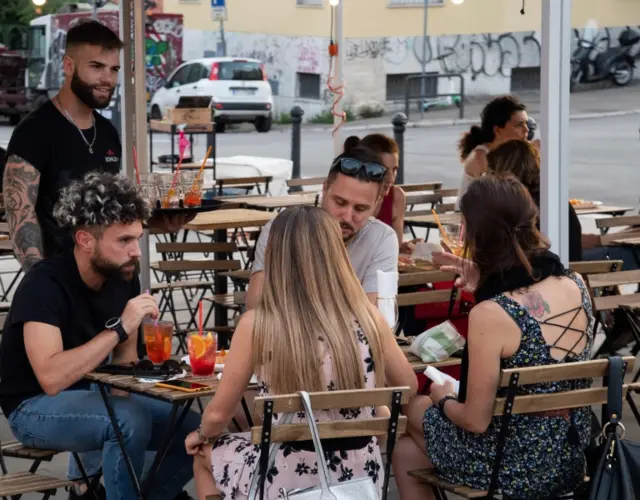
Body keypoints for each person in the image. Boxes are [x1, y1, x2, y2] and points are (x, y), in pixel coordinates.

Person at [185, 206, 418, 499]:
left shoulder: (258, 324)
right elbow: (409, 387)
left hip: (285, 478)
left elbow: (219, 413)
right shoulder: (370, 318)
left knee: (205, 456)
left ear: (276, 258)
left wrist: (201, 436)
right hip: (362, 476)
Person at [0, 172, 200, 500]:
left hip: (95, 396)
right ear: (85, 240)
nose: (136, 251)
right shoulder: (44, 284)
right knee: (129, 420)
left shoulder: (123, 278)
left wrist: (163, 374)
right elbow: (50, 378)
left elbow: (124, 364)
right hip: (32, 407)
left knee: (194, 427)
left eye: (137, 238)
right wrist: (120, 327)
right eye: (124, 240)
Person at [393, 176, 594, 500]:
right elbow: (526, 297)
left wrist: (442, 397)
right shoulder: (576, 283)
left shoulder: (491, 313)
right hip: (570, 455)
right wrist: (485, 277)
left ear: (475, 234)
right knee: (406, 453)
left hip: (510, 464)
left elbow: (474, 420)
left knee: (415, 406)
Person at [2, 20, 183, 273]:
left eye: (114, 69)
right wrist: (40, 280)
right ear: (68, 66)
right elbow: (20, 216)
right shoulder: (34, 131)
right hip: (60, 281)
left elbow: (107, 212)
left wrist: (158, 222)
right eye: (97, 67)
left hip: (111, 279)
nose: (107, 79)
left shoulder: (107, 132)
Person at [246, 143, 399, 309]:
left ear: (377, 205)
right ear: (324, 189)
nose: (347, 216)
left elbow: (375, 319)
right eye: (340, 203)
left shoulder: (382, 238)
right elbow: (256, 307)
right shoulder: (282, 230)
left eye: (360, 209)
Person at [486, 139, 585, 262]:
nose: (488, 177)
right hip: (570, 270)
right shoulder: (551, 196)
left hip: (539, 274)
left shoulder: (517, 203)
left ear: (502, 170)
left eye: (490, 171)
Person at [457, 96, 529, 200]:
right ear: (498, 130)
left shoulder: (514, 151)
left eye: (526, 123)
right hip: (473, 214)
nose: (526, 130)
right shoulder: (480, 157)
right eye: (519, 125)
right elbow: (494, 195)